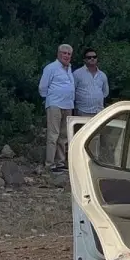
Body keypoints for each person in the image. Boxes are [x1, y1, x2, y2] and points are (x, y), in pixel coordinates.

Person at [38, 44, 74, 172]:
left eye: (69, 54)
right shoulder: (51, 68)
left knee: (63, 136)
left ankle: (60, 162)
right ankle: (50, 163)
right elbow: (42, 87)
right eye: (64, 53)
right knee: (53, 135)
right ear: (58, 54)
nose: (66, 56)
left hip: (68, 104)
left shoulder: (69, 68)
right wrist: (51, 99)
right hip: (55, 104)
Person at [72, 48, 109, 117]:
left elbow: (105, 93)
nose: (92, 59)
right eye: (89, 57)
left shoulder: (102, 75)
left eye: (94, 57)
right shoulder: (77, 74)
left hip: (99, 112)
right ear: (84, 60)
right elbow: (72, 91)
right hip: (82, 111)